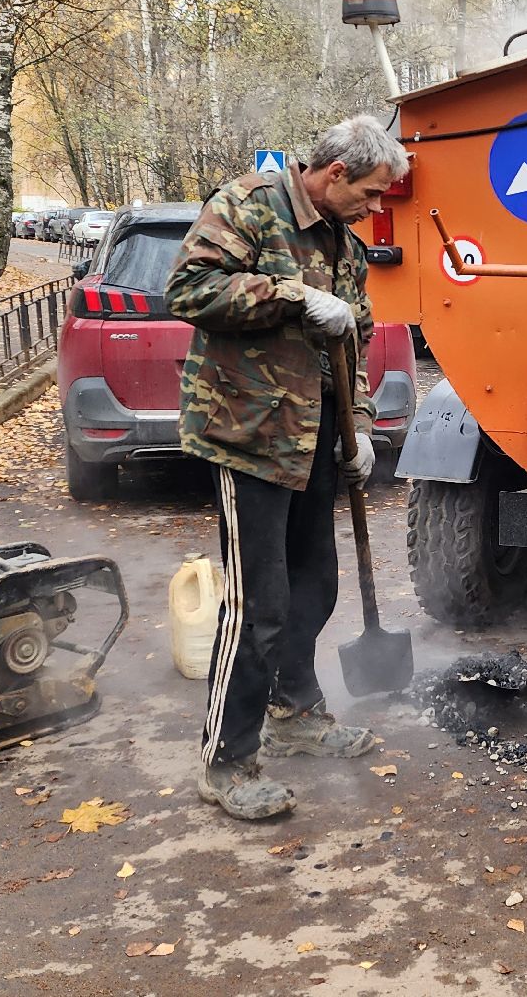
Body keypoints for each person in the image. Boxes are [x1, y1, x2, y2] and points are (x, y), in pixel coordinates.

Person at [166, 114, 410, 820]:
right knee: (258, 605)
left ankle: (295, 713)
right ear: (334, 174)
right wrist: (292, 295)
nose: (375, 206)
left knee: (315, 587)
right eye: (369, 191)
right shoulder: (247, 206)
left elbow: (353, 346)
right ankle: (226, 759)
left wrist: (359, 429)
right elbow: (188, 292)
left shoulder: (346, 244)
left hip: (316, 441)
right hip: (249, 436)